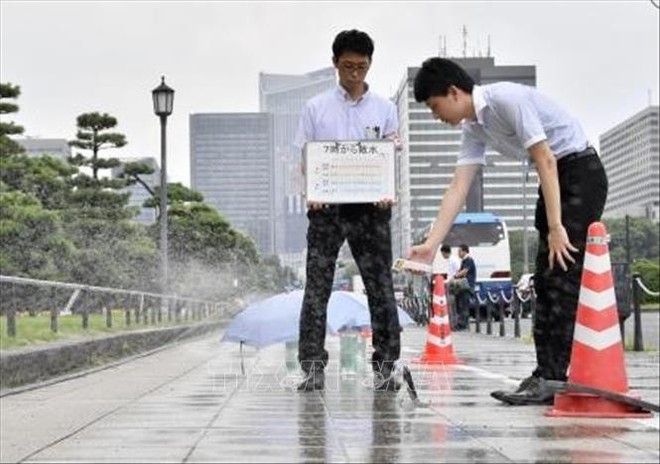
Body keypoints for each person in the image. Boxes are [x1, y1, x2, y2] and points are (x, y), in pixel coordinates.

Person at [407, 58, 608, 405]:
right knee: (545, 280)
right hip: (557, 180)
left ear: (454, 93)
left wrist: (557, 227)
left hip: (579, 171)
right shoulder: (474, 128)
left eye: (435, 107)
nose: (435, 116)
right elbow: (458, 187)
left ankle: (556, 375)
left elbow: (544, 156)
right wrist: (430, 244)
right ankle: (547, 373)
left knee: (561, 273)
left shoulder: (506, 100)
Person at [295, 29, 402, 392]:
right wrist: (312, 192)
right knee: (317, 287)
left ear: (370, 64)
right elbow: (307, 157)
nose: (354, 73)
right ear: (334, 64)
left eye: (361, 66)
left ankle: (386, 367)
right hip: (326, 209)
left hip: (372, 209)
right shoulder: (316, 107)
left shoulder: (385, 109)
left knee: (380, 287)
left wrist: (387, 191)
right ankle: (312, 367)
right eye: (347, 66)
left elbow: (388, 159)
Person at [451, 244, 476, 330]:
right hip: (462, 287)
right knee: (460, 305)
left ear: (464, 251)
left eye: (459, 251)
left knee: (464, 306)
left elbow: (464, 271)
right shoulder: (463, 261)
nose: (458, 253)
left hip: (467, 287)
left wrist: (455, 276)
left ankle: (462, 325)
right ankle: (462, 323)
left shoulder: (469, 260)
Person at [439, 244, 462, 329]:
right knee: (450, 305)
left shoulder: (453, 260)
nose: (442, 256)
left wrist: (453, 279)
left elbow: (458, 271)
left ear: (445, 252)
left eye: (442, 254)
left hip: (453, 284)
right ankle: (452, 323)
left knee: (452, 305)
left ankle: (454, 324)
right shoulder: (450, 260)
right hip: (450, 283)